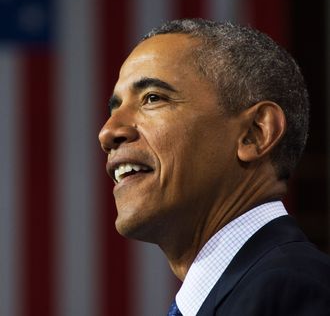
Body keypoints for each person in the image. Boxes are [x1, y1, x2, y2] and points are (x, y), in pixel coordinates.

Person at [98, 18, 330, 315]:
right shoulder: (245, 291)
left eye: (152, 98)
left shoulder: (292, 293)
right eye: (114, 107)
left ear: (255, 134)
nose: (108, 132)